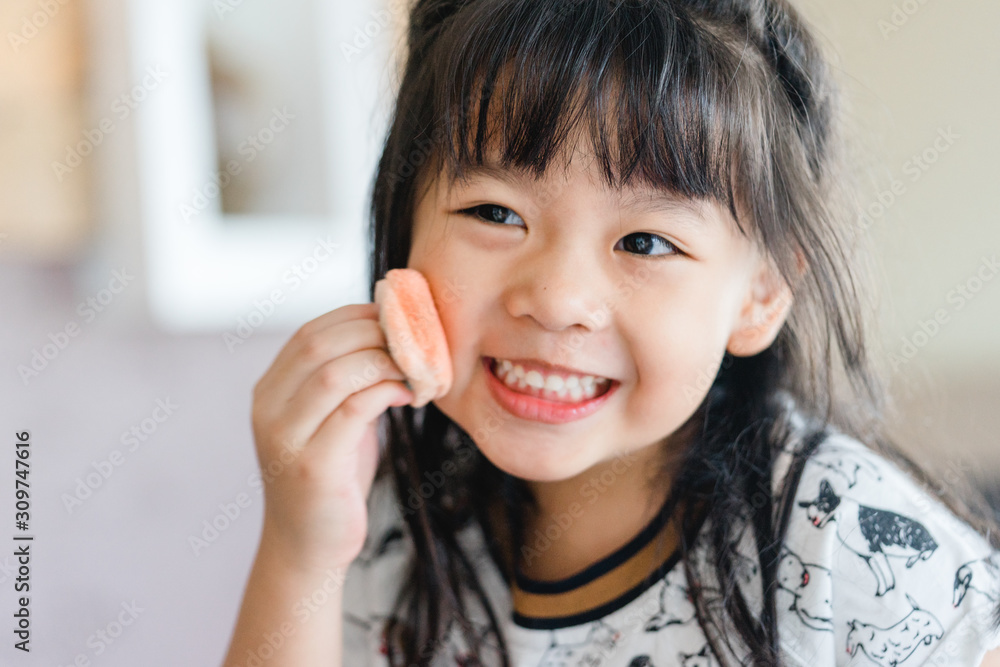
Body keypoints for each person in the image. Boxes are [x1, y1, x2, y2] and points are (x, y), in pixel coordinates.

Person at [222, 0, 1000, 665]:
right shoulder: (388, 510)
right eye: (496, 213)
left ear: (760, 295)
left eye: (647, 243)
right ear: (401, 229)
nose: (557, 300)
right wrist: (301, 549)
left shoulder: (858, 557)